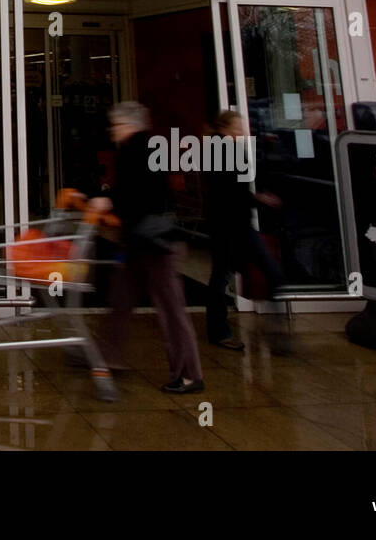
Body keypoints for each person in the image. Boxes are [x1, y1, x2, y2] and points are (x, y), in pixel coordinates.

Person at [93, 101, 204, 394]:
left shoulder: (138, 149)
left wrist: (109, 200)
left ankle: (189, 374)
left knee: (170, 309)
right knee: (121, 298)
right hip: (140, 241)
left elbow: (141, 194)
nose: (112, 131)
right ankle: (111, 356)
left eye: (116, 125)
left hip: (155, 244)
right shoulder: (143, 148)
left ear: (130, 125)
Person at [203, 108, 285, 350]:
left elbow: (229, 190)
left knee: (221, 277)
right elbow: (229, 192)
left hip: (229, 225)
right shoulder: (222, 151)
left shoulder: (220, 149)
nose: (243, 131)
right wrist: (257, 199)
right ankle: (273, 331)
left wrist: (255, 198)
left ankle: (220, 331)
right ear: (226, 128)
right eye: (238, 127)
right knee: (265, 273)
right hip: (232, 226)